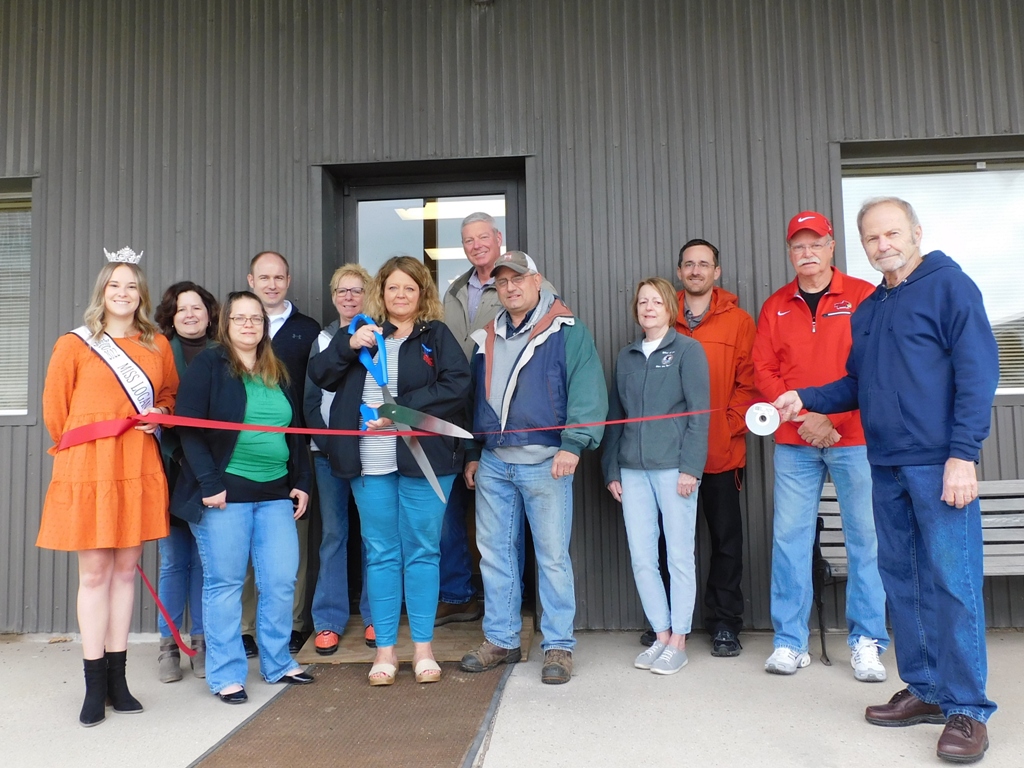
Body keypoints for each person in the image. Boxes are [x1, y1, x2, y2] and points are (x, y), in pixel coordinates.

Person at [774, 197, 999, 764]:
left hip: (939, 465)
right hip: (886, 464)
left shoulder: (950, 287)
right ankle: (925, 689)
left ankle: (968, 709)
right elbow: (857, 382)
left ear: (916, 232)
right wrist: (804, 397)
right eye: (873, 238)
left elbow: (978, 373)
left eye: (892, 233)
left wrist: (963, 455)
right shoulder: (871, 308)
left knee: (954, 584)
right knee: (903, 580)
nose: (883, 245)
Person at [308, 256, 471, 686]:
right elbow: (320, 375)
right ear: (380, 292)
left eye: (409, 288)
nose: (401, 295)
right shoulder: (360, 332)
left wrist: (399, 410)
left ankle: (423, 649)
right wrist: (347, 344)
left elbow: (457, 385)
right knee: (380, 553)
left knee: (423, 552)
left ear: (422, 294)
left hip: (426, 459)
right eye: (393, 287)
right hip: (370, 461)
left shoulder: (435, 335)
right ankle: (384, 652)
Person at [37, 251, 178, 726]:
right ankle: (94, 684)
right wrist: (87, 445)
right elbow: (56, 412)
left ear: (141, 295)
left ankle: (119, 681)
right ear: (102, 291)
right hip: (90, 466)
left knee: (125, 571)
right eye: (115, 285)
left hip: (136, 463)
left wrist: (160, 414)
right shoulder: (74, 344)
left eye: (131, 286)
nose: (123, 293)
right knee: (95, 573)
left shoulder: (157, 344)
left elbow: (168, 395)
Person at [459, 251, 607, 685]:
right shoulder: (487, 335)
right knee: (495, 555)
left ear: (537, 281)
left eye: (518, 279)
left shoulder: (567, 330)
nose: (510, 288)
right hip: (494, 463)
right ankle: (501, 639)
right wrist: (472, 453)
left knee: (552, 558)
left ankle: (558, 645)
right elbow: (474, 399)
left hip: (547, 462)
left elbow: (587, 389)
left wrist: (574, 444)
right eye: (502, 282)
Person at [753, 211, 888, 680]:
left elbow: (874, 368)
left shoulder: (863, 296)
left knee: (865, 539)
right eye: (798, 245)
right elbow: (763, 370)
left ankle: (867, 641)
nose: (806, 253)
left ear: (832, 247)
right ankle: (790, 642)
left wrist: (832, 419)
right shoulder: (775, 306)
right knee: (790, 540)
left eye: (815, 244)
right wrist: (806, 418)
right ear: (790, 252)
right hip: (795, 442)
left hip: (854, 439)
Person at [171, 290, 314, 704]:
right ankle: (226, 674)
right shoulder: (208, 365)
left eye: (256, 318)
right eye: (240, 318)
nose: (249, 325)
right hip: (225, 496)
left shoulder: (276, 369)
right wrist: (209, 483)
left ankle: (278, 662)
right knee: (226, 584)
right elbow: (188, 429)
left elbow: (296, 432)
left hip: (275, 494)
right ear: (226, 323)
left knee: (280, 580)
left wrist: (302, 480)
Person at [438, 213, 557, 625]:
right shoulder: (454, 290)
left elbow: (553, 347)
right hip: (459, 413)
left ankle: (520, 610)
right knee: (456, 511)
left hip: (514, 422)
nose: (476, 245)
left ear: (498, 238)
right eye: (468, 240)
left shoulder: (531, 287)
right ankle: (462, 597)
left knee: (518, 530)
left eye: (482, 237)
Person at [603, 277, 710, 674]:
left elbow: (699, 415)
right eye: (642, 302)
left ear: (670, 308)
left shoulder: (688, 351)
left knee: (679, 556)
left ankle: (679, 639)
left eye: (656, 302)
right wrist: (611, 468)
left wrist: (691, 468)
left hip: (674, 470)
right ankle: (661, 634)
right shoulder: (626, 356)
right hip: (632, 470)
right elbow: (615, 416)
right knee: (643, 557)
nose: (648, 308)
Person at [674, 238, 756, 657]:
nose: (696, 271)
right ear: (680, 272)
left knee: (725, 542)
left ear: (716, 272)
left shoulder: (739, 321)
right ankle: (672, 624)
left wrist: (725, 428)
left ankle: (725, 624)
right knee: (673, 542)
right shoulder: (663, 314)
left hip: (722, 453)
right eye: (689, 264)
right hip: (673, 455)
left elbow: (750, 383)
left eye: (703, 264)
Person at [242, 251, 320, 656]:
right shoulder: (237, 324)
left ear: (288, 281)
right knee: (245, 540)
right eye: (264, 277)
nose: (271, 285)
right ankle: (246, 628)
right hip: (242, 452)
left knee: (292, 539)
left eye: (278, 278)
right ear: (251, 280)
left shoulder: (308, 330)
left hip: (293, 448)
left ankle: (292, 624)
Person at [303, 264, 374, 654]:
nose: (349, 297)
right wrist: (329, 444)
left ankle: (375, 616)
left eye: (357, 290)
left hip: (373, 453)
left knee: (374, 535)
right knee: (333, 535)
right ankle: (328, 620)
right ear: (333, 297)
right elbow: (311, 401)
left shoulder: (378, 334)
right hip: (328, 454)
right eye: (342, 291)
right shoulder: (323, 338)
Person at [152, 281, 220, 682]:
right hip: (172, 468)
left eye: (197, 308)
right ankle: (168, 645)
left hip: (214, 471)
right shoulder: (158, 352)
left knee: (206, 562)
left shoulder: (224, 352)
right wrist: (181, 454)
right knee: (175, 560)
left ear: (210, 315)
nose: (191, 315)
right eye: (182, 309)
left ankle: (201, 642)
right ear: (171, 317)